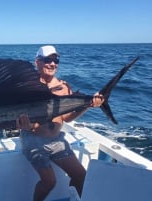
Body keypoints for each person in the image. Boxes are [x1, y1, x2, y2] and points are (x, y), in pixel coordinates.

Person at [16, 45, 104, 201]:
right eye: (47, 60)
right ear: (37, 62)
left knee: (81, 176)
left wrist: (87, 106)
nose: (52, 64)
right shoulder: (27, 88)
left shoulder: (63, 87)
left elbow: (67, 117)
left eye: (55, 60)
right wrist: (28, 127)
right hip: (33, 141)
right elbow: (19, 119)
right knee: (49, 182)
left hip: (57, 141)